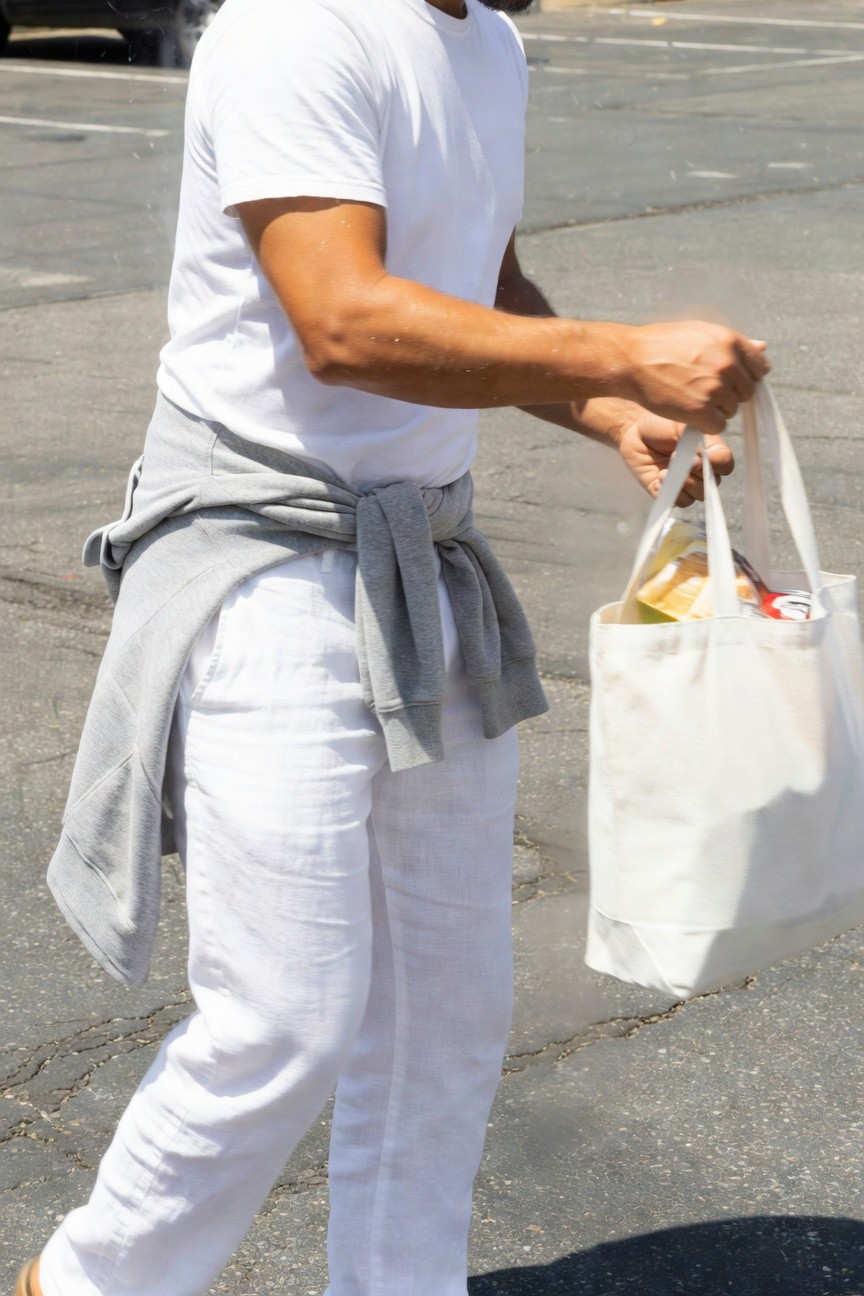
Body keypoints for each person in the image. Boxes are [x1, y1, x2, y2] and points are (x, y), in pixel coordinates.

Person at [16, 0, 769, 1294]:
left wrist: (603, 408)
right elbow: (347, 319)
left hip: (426, 565)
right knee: (286, 1019)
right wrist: (625, 351)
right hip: (267, 566)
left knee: (446, 1018)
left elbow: (484, 287)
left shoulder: (488, 44)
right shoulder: (299, 26)